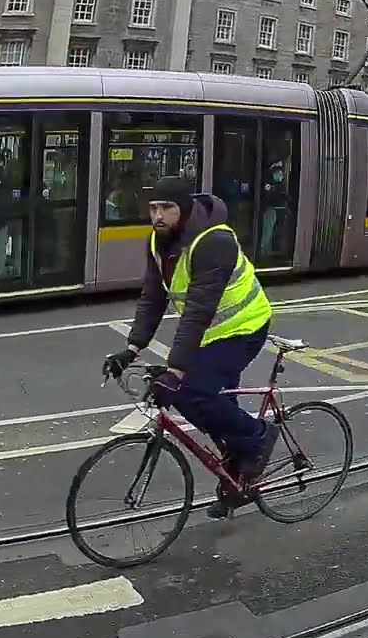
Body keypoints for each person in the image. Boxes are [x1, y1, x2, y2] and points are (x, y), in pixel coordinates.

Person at [103, 178, 279, 520]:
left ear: (183, 209)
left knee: (193, 391)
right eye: (153, 208)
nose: (158, 216)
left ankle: (257, 438)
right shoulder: (159, 241)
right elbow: (153, 297)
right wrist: (132, 349)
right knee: (202, 399)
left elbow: (197, 311)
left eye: (166, 208)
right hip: (211, 334)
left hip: (244, 327)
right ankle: (238, 475)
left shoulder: (214, 241)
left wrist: (175, 370)